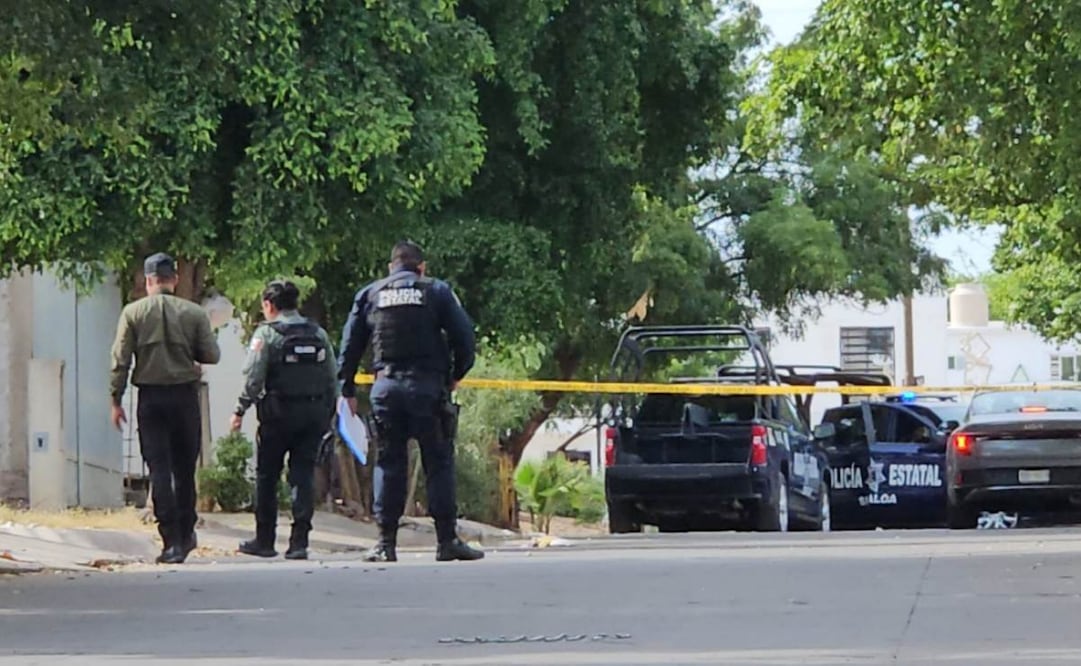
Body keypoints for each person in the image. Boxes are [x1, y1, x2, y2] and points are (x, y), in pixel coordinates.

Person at [338, 240, 482, 562]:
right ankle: (447, 541)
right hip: (428, 389)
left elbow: (350, 345)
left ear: (391, 267)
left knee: (389, 463)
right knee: (439, 463)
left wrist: (346, 389)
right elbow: (465, 338)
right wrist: (455, 374)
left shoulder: (370, 294)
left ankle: (385, 543)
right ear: (421, 267)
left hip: (386, 390)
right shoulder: (437, 291)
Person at [110, 252, 222, 564]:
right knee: (185, 469)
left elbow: (119, 361)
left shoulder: (133, 313)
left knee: (159, 469)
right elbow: (211, 355)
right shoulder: (194, 313)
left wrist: (115, 400)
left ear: (147, 282)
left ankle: (170, 539)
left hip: (151, 399)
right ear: (174, 280)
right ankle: (187, 533)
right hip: (185, 397)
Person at [231, 280, 338, 560]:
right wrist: (327, 414)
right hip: (313, 415)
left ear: (269, 305)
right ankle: (299, 541)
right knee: (302, 475)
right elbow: (331, 378)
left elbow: (253, 379)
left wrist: (240, 410)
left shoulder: (267, 334)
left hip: (277, 415)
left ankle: (265, 540)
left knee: (267, 476)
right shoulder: (318, 333)